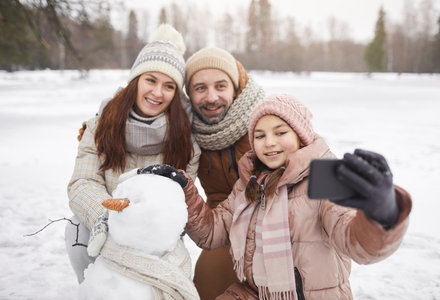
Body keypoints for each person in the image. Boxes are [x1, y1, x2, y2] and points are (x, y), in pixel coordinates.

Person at [148, 94, 413, 299]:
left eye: (280, 132)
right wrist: (184, 189)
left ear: (300, 136)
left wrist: (381, 213)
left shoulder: (321, 183)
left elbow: (359, 246)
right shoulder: (249, 185)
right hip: (254, 292)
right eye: (260, 136)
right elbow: (212, 232)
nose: (269, 142)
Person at [65, 24, 201, 284]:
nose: (157, 93)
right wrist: (107, 217)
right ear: (135, 80)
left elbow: (181, 199)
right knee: (75, 229)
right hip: (103, 224)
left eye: (169, 85)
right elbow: (82, 183)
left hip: (156, 231)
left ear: (176, 93)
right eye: (150, 80)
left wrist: (147, 221)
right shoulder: (100, 124)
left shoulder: (186, 139)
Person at [184, 47, 265, 299]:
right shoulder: (189, 127)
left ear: (235, 88)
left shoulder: (262, 120)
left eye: (220, 86)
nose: (211, 97)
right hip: (223, 227)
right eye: (200, 88)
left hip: (271, 224)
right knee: (204, 288)